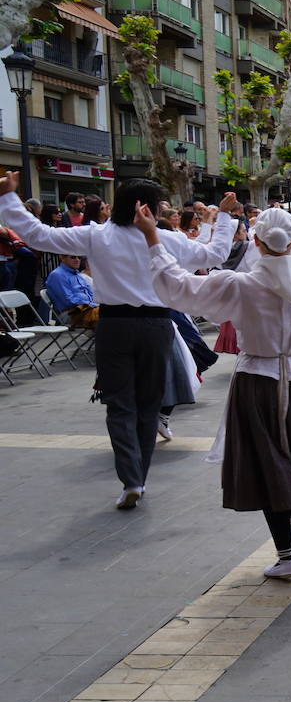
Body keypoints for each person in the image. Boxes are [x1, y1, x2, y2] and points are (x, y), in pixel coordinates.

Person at [137, 177, 291, 578]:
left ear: (256, 243)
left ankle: (286, 551)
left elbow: (177, 287)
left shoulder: (240, 285)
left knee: (268, 461)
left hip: (258, 379)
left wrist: (154, 238)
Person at [0, 170, 236, 509]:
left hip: (114, 324)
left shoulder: (98, 235)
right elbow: (214, 254)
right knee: (148, 403)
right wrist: (224, 215)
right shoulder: (165, 239)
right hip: (156, 325)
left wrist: (8, 197)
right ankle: (138, 476)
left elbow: (39, 235)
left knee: (120, 403)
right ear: (150, 208)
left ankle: (131, 478)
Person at [44, 253, 98, 328]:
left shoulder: (78, 275)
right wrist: (93, 304)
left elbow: (91, 295)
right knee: (107, 316)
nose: (77, 260)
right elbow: (69, 301)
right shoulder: (57, 275)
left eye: (79, 257)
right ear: (62, 258)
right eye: (73, 257)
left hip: (87, 309)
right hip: (71, 313)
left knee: (113, 311)